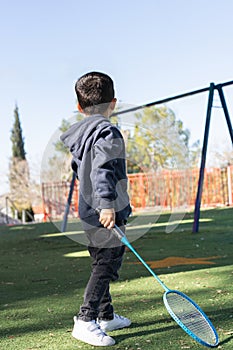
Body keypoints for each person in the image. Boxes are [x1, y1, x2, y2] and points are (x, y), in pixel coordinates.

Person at [61, 71, 132, 346]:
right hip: (104, 211)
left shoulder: (82, 137)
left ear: (80, 107)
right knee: (106, 264)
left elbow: (81, 171)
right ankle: (86, 319)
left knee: (101, 261)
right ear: (113, 103)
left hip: (89, 211)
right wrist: (107, 205)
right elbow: (103, 170)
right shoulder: (108, 132)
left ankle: (106, 314)